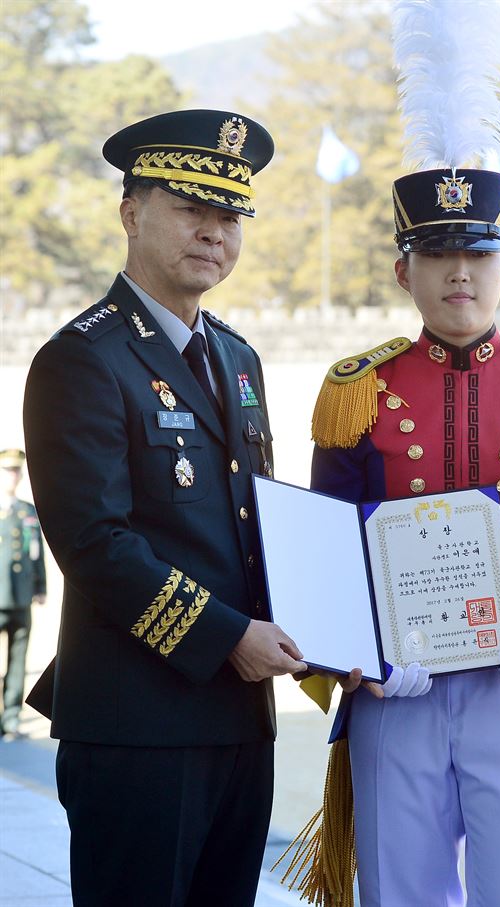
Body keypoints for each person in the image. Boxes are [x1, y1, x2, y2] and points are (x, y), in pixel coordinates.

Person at [299, 167, 500, 907]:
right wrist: (362, 650)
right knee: (398, 886)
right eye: (438, 254)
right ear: (402, 268)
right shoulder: (358, 389)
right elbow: (324, 547)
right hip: (395, 679)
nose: (459, 273)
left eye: (478, 255)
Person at [23, 109, 306, 907]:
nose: (213, 232)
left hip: (240, 719)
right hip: (138, 723)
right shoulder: (84, 357)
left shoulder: (238, 358)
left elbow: (258, 527)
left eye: (229, 216)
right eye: (191, 208)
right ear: (130, 212)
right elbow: (93, 541)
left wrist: (323, 633)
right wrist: (229, 638)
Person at [0, 448, 46, 737]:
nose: (13, 476)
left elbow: (35, 551)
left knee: (18, 658)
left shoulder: (27, 510)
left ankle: (12, 718)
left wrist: (40, 586)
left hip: (21, 596)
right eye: (7, 470)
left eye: (17, 470)